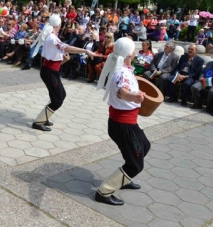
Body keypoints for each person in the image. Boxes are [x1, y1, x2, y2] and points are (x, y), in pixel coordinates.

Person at [94, 37, 149, 206]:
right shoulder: (122, 73)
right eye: (133, 49)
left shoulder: (124, 68)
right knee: (136, 165)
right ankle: (104, 192)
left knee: (144, 146)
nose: (135, 51)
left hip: (126, 124)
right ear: (129, 53)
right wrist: (134, 96)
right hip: (123, 126)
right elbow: (121, 91)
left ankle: (123, 179)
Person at [30, 14, 97, 132]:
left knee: (60, 94)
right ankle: (38, 122)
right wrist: (86, 51)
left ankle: (44, 117)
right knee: (58, 100)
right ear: (59, 24)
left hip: (51, 71)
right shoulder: (52, 38)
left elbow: (55, 57)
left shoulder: (53, 37)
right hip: (49, 72)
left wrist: (64, 60)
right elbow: (66, 48)